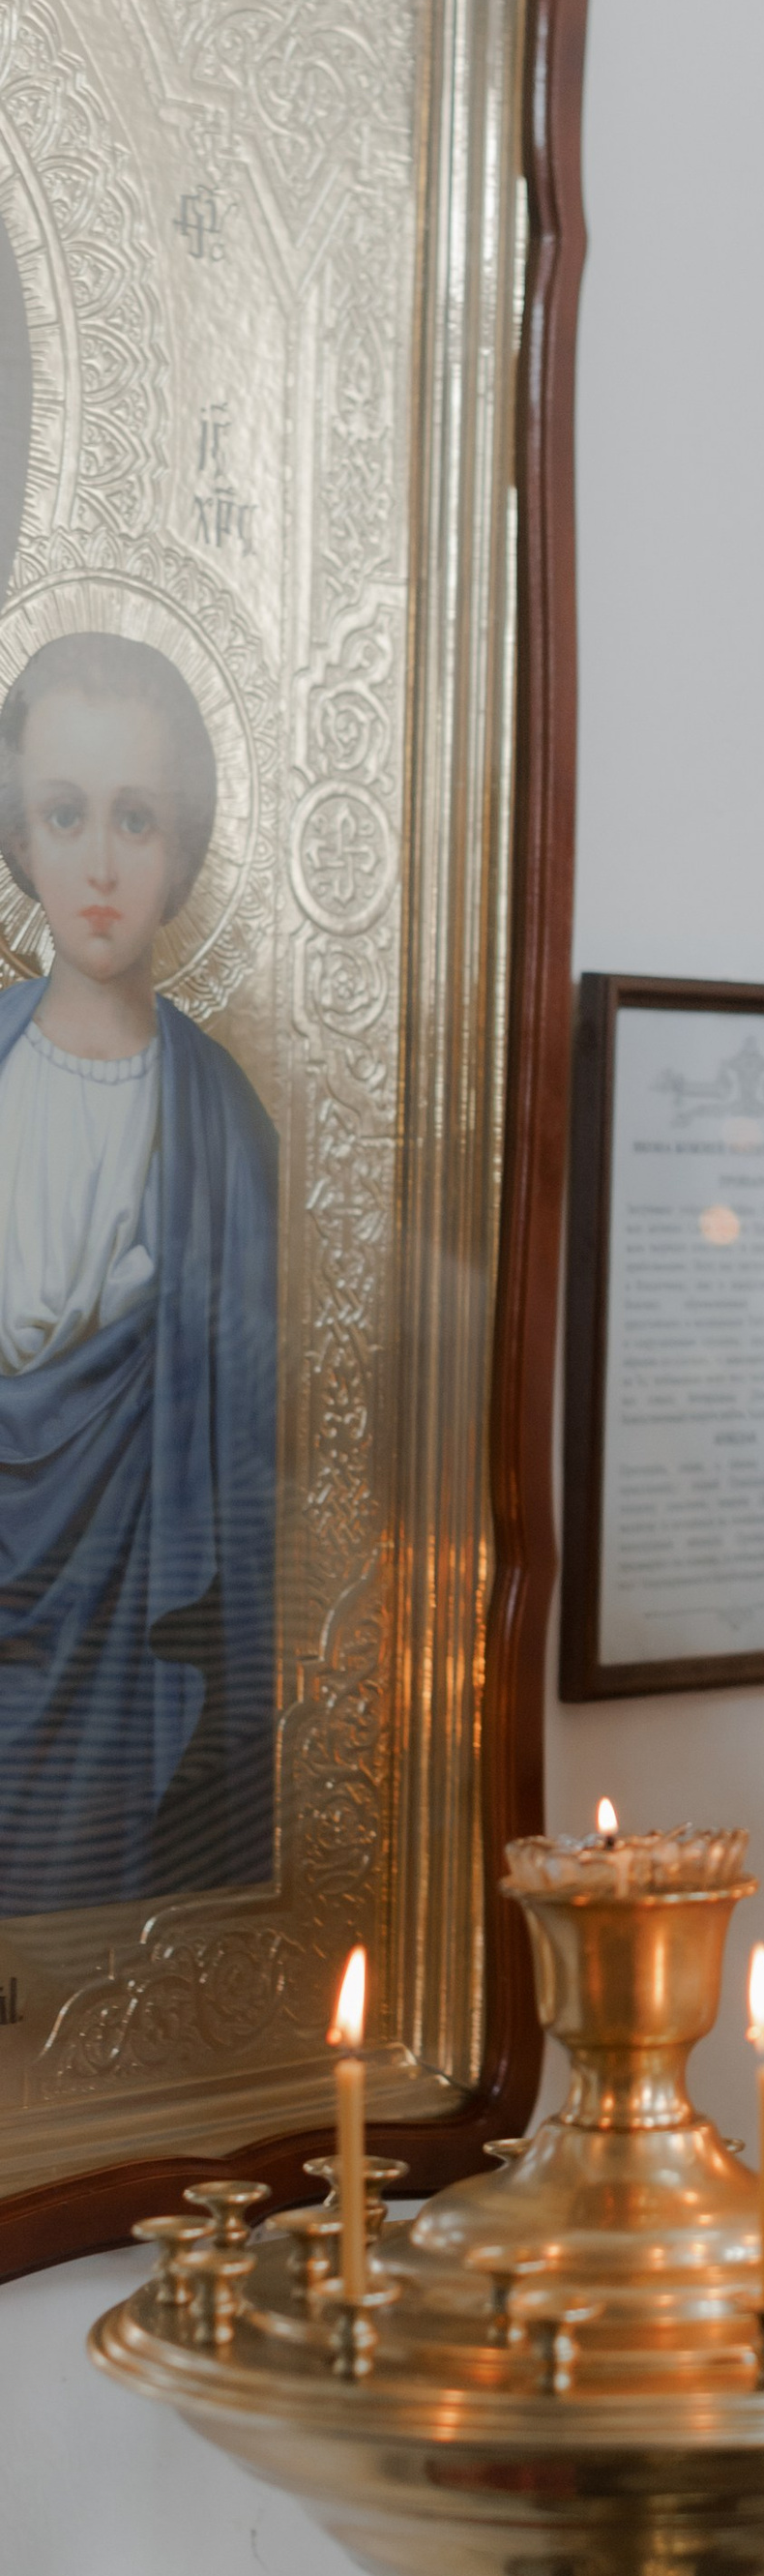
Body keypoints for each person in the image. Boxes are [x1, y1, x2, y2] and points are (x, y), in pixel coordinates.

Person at [0, 633, 277, 1913]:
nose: (100, 865)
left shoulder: (219, 1120)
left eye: (135, 819)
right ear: (19, 832)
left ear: (183, 847)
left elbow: (249, 1448)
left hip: (131, 1630)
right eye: (64, 815)